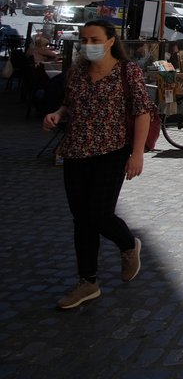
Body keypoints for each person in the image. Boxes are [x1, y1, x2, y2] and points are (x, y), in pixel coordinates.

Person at [41, 19, 157, 310]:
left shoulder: (127, 71)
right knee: (81, 218)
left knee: (99, 213)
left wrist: (137, 154)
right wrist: (57, 115)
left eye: (95, 40)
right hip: (76, 151)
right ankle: (88, 281)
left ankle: (128, 244)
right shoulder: (76, 72)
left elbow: (142, 112)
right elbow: (70, 105)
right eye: (84, 40)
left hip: (112, 151)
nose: (88, 45)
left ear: (110, 41)